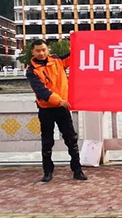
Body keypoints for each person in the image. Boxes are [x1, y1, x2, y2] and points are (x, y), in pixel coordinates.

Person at [26, 39, 87, 183]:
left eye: (43, 50)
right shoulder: (31, 70)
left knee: (71, 139)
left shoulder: (57, 60)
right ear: (33, 52)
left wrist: (80, 41)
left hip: (62, 108)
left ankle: (77, 170)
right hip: (46, 109)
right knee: (47, 141)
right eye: (38, 51)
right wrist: (59, 101)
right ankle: (47, 171)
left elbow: (75, 56)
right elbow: (41, 91)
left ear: (48, 49)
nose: (41, 53)